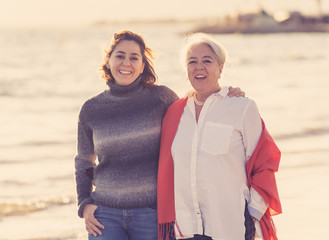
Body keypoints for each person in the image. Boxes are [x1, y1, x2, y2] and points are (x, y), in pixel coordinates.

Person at [74, 30, 245, 240]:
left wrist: (225, 95)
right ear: (108, 61)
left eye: (134, 58)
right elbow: (84, 161)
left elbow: (196, 110)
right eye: (120, 56)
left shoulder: (161, 98)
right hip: (105, 215)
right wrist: (85, 203)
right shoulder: (91, 109)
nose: (126, 63)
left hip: (152, 213)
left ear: (143, 66)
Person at [157, 33, 282, 240]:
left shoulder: (241, 107)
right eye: (192, 62)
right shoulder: (173, 113)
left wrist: (253, 214)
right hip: (184, 227)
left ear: (220, 68)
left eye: (207, 60)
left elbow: (264, 163)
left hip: (229, 225)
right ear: (186, 69)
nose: (199, 67)